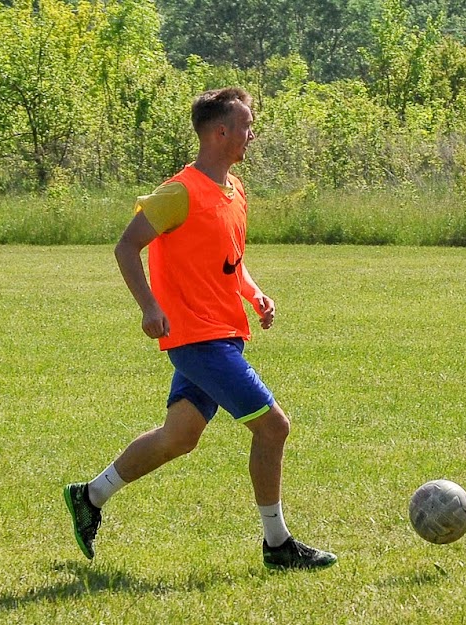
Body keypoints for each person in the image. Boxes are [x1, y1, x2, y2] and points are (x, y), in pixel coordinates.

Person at [63, 87, 337, 571]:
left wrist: (254, 296)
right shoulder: (179, 192)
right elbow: (127, 247)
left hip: (222, 332)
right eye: (247, 125)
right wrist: (149, 307)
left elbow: (232, 262)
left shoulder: (234, 191)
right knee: (274, 427)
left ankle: (90, 496)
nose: (252, 134)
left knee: (179, 437)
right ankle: (277, 544)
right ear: (220, 132)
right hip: (197, 339)